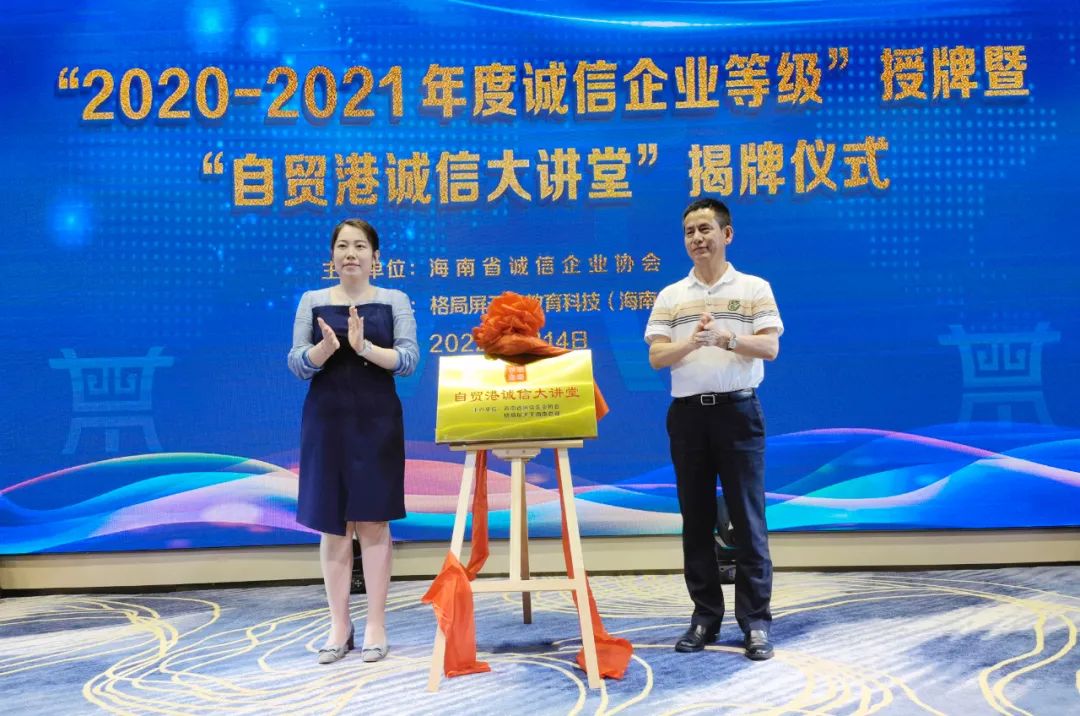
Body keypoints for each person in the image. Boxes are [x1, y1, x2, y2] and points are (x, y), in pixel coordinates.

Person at [644, 198, 783, 660]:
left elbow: (770, 347)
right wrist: (691, 342)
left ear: (727, 234)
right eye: (689, 232)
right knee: (696, 519)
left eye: (705, 229)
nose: (697, 239)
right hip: (688, 417)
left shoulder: (754, 287)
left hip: (738, 412)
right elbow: (656, 357)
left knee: (748, 518)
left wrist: (727, 338)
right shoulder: (672, 295)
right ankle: (705, 616)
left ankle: (755, 621)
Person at [287, 218, 419, 664]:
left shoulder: (394, 299)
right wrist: (322, 351)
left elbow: (408, 360)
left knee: (374, 522)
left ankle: (376, 624)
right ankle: (339, 626)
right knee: (333, 525)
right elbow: (296, 363)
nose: (350, 254)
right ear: (332, 256)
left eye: (360, 246)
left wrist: (364, 348)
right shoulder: (312, 301)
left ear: (375, 257)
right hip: (326, 422)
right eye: (342, 246)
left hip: (377, 421)